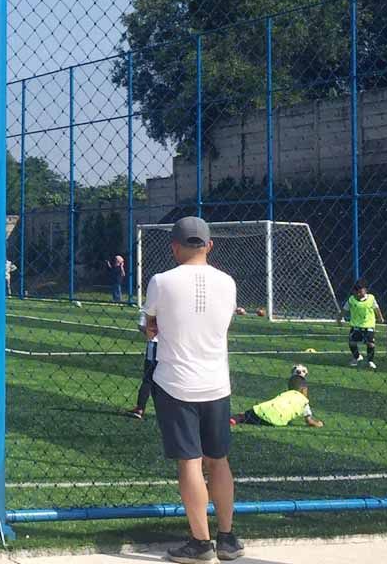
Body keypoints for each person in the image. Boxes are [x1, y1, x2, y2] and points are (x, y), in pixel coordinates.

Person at [143, 216, 243, 563]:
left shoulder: (161, 281)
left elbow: (150, 326)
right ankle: (227, 538)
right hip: (216, 382)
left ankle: (201, 543)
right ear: (209, 245)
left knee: (190, 462)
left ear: (174, 246)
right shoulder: (227, 282)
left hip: (176, 383)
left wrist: (157, 324)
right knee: (219, 461)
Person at [231, 371, 323, 428]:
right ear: (304, 390)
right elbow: (309, 421)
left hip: (262, 412)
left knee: (244, 416)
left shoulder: (286, 394)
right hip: (277, 421)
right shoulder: (304, 402)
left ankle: (234, 419)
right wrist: (318, 423)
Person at [340, 279, 383, 370]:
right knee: (352, 343)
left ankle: (370, 361)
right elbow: (344, 309)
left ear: (365, 290)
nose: (359, 294)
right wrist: (339, 318)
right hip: (356, 326)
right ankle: (357, 357)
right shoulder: (351, 300)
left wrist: (380, 318)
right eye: (357, 292)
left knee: (370, 344)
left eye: (361, 292)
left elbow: (376, 308)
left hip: (368, 325)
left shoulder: (371, 298)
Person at [125, 312, 156, 420]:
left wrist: (150, 332)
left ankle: (140, 408)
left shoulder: (149, 304)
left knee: (148, 378)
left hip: (154, 344)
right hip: (172, 346)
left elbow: (141, 325)